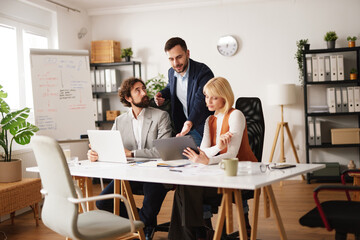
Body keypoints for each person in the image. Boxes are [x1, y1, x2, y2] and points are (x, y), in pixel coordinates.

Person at [168, 77, 258, 240]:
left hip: (239, 175)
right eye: (206, 96)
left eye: (214, 97)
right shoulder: (210, 119)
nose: (208, 101)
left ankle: (197, 234)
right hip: (219, 174)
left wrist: (207, 160)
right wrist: (216, 148)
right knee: (184, 187)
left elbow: (231, 155)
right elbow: (204, 151)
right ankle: (199, 233)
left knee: (187, 189)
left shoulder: (235, 115)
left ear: (225, 97)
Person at [87, 77, 172, 240]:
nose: (144, 93)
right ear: (128, 98)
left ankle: (144, 223)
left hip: (156, 173)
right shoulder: (120, 121)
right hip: (130, 173)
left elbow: (162, 151)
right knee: (102, 202)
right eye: (137, 90)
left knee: (151, 194)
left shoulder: (161, 116)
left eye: (144, 89)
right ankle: (143, 221)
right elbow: (108, 146)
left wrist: (131, 154)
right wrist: (94, 154)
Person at [155, 37, 214, 145]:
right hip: (183, 128)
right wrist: (162, 94)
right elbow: (170, 87)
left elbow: (200, 101)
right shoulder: (171, 72)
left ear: (187, 53)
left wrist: (189, 123)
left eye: (179, 57)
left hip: (202, 128)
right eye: (171, 59)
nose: (175, 63)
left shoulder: (203, 72)